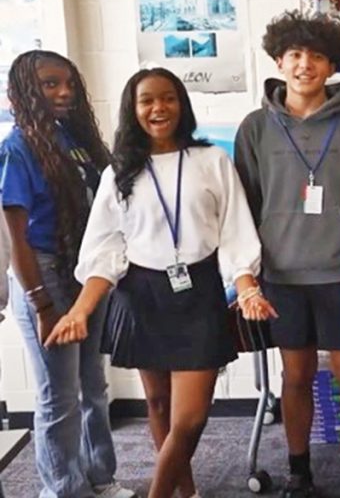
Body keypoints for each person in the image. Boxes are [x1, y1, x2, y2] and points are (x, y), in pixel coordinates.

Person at [43, 67, 266, 498]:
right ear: (133, 109)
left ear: (181, 104)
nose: (158, 108)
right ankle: (187, 491)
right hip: (143, 295)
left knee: (191, 417)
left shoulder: (211, 161)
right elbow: (105, 250)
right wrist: (80, 311)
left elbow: (235, 232)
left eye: (168, 98)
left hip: (199, 292)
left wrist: (247, 288)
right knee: (159, 403)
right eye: (147, 100)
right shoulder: (119, 173)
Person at [234, 10, 340, 498]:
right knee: (295, 375)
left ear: (332, 65)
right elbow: (245, 205)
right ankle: (299, 470)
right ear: (279, 60)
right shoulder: (255, 127)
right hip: (283, 275)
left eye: (317, 56)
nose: (305, 65)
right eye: (295, 54)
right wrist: (248, 276)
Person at [0, 50, 134, 498]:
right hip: (46, 275)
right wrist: (41, 304)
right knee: (58, 396)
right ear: (25, 91)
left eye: (69, 84)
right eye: (50, 84)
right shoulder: (16, 148)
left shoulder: (74, 139)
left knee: (92, 385)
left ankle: (99, 477)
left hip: (85, 270)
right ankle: (63, 489)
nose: (64, 92)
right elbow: (16, 238)